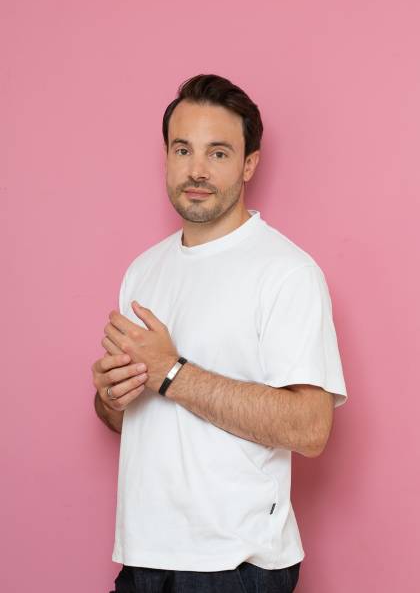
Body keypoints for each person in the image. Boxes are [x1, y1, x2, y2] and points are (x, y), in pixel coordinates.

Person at [92, 73, 348, 593]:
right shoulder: (143, 271)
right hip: (142, 557)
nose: (197, 170)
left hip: (235, 565)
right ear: (166, 156)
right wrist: (110, 397)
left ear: (249, 164)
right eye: (183, 149)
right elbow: (126, 419)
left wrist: (171, 372)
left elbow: (311, 428)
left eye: (219, 153)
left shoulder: (287, 273)